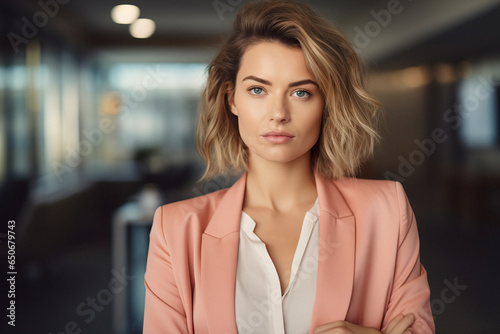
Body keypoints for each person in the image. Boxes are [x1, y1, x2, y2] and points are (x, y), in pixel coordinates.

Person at [143, 0, 435, 333]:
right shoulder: (175, 229)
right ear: (232, 99)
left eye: (300, 93)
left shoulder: (386, 209)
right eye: (257, 90)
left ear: (326, 104)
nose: (278, 113)